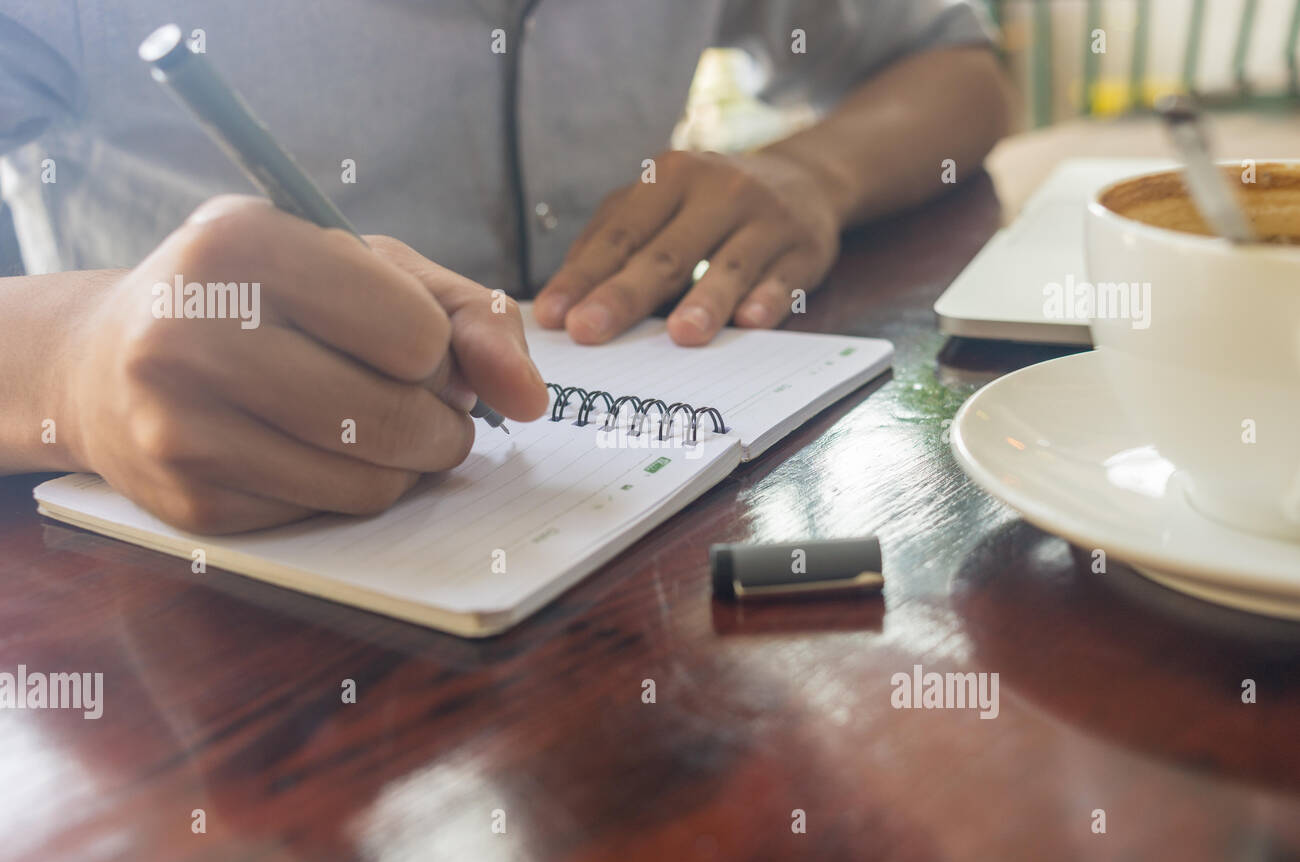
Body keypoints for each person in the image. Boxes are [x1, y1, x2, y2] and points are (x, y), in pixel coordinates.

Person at [0, 0, 1011, 531]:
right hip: (177, 631)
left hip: (619, 567)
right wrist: (68, 368)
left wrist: (814, 172)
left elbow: (959, 64)